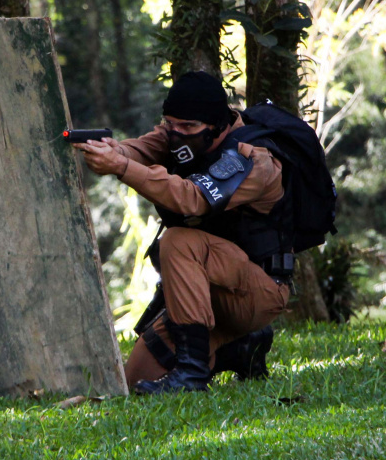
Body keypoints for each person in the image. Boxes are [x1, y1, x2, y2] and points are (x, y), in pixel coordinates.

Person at [73, 71, 290, 395]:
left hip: (255, 291)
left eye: (187, 127)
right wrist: (115, 152)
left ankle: (191, 374)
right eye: (170, 124)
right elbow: (140, 150)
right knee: (136, 382)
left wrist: (120, 167)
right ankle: (241, 349)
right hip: (204, 291)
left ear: (218, 125)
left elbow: (194, 199)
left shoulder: (255, 160)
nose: (176, 134)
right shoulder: (179, 131)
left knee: (177, 241)